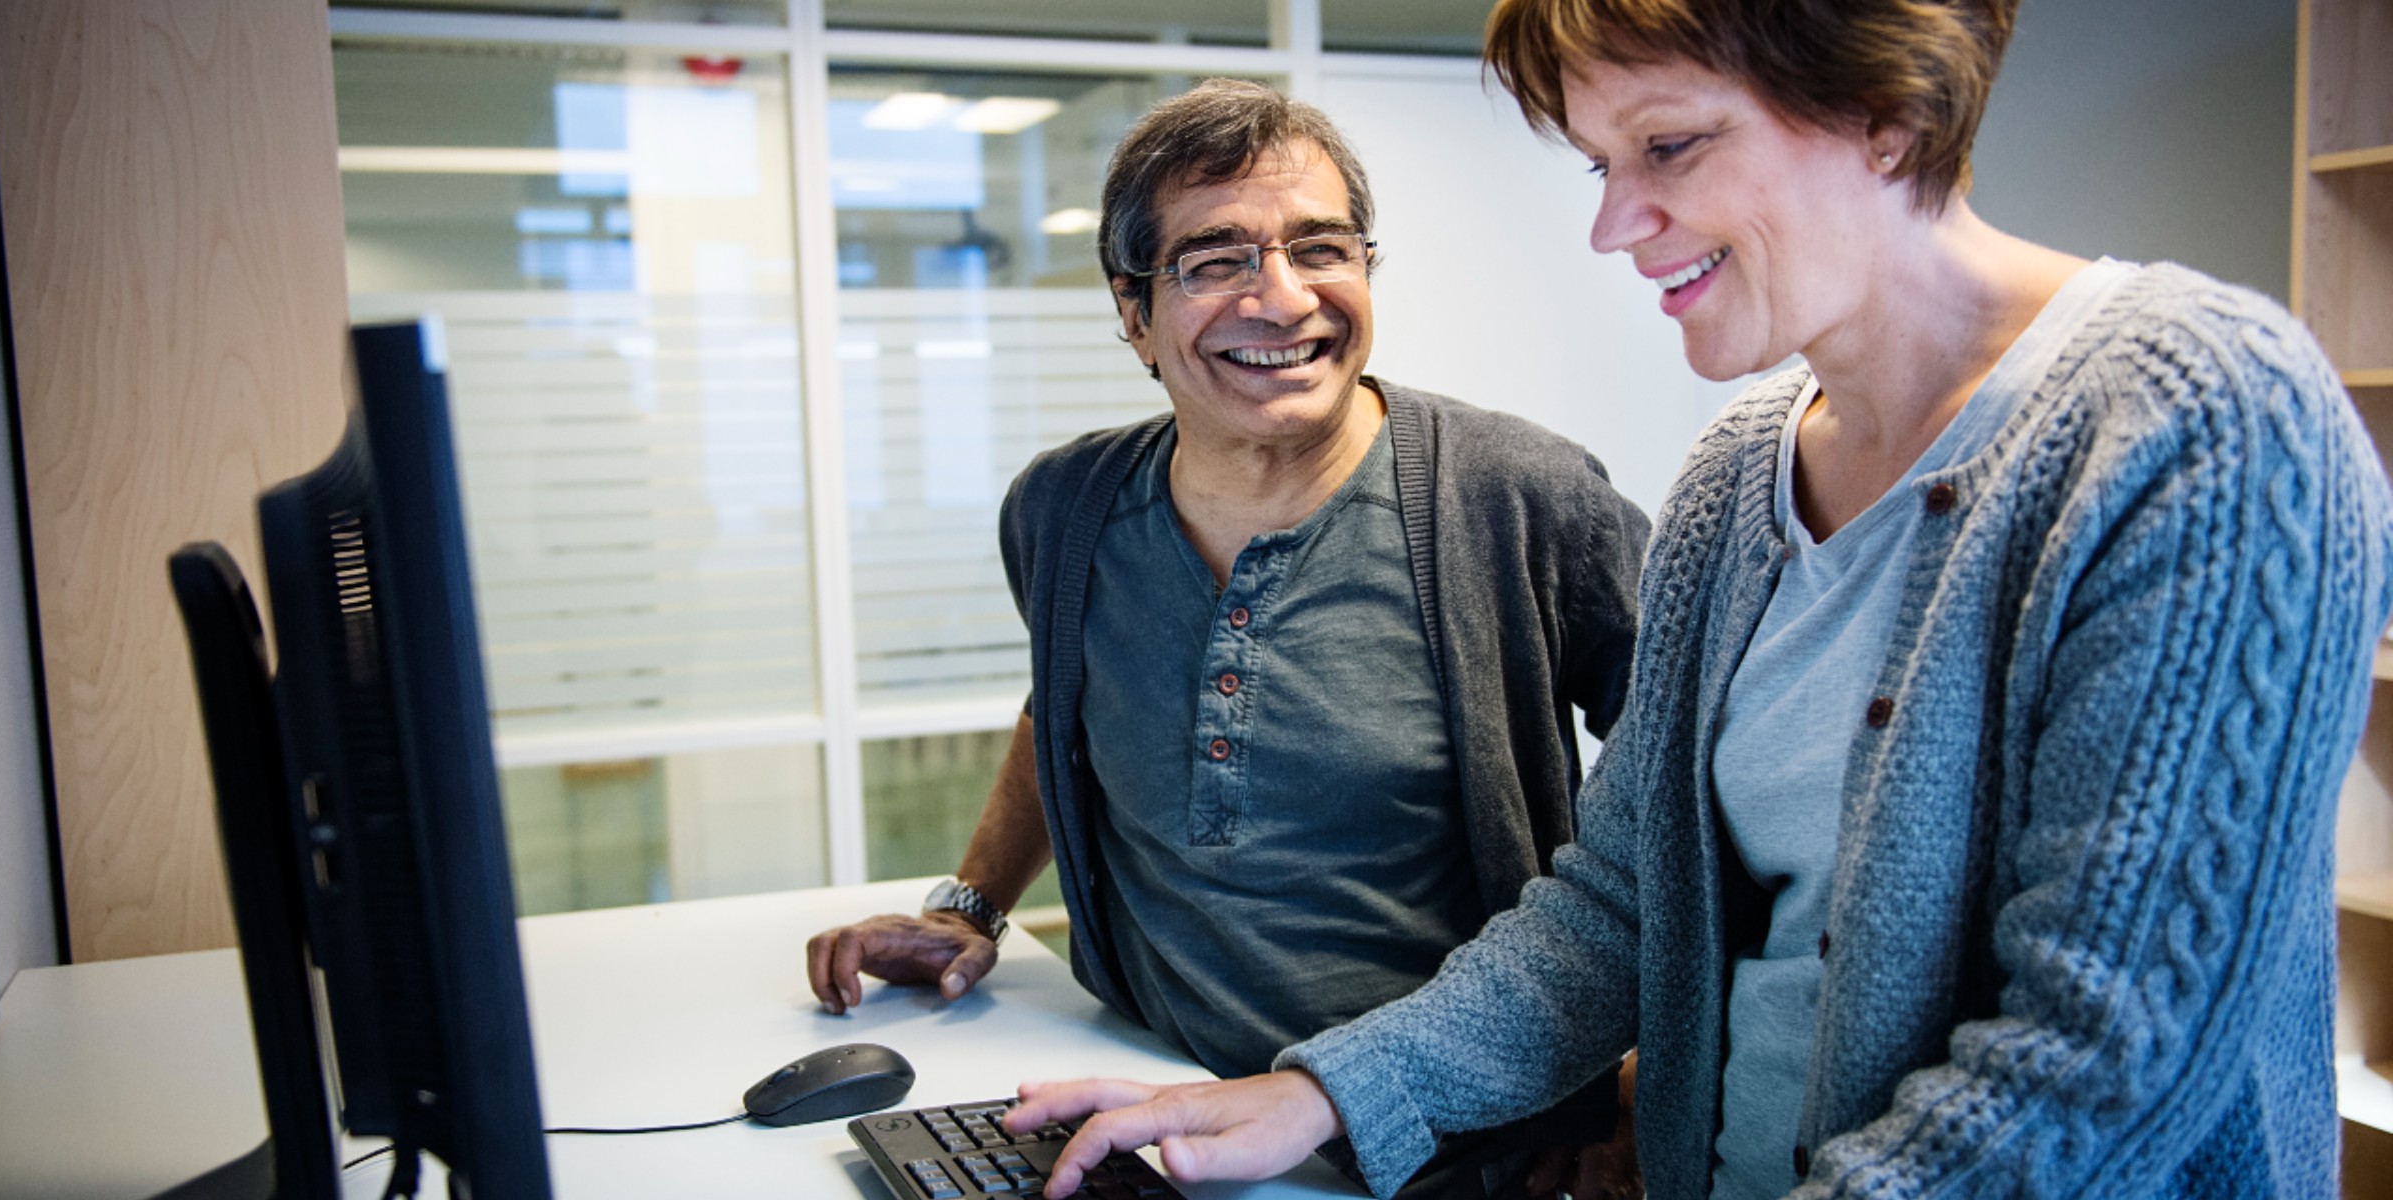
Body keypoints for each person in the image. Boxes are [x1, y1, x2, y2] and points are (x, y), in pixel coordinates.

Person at [1004, 2, 2393, 1199]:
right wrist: (1321, 1094)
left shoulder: (2199, 423)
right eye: (1603, 164)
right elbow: (1615, 906)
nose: (1614, 223)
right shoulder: (1742, 471)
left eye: (1666, 148)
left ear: (1885, 111)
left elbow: (2108, 1054)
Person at [805, 80, 1651, 1196]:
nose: (1283, 299)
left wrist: (1641, 1080)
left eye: (1322, 248)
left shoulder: (1521, 500)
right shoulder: (1065, 511)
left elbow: (1696, 802)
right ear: (1131, 309)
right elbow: (1064, 709)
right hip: (1154, 1107)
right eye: (1215, 261)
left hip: (1455, 1151)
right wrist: (970, 905)